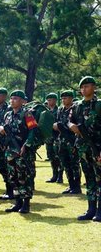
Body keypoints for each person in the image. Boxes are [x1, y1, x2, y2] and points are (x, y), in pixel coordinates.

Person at [0, 90, 38, 214]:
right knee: (13, 177)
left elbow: (33, 130)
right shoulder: (8, 115)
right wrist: (1, 129)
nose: (12, 101)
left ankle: (26, 203)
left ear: (22, 101)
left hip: (22, 150)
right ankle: (17, 202)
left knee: (24, 177)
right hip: (10, 151)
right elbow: (4, 127)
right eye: (11, 98)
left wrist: (26, 145)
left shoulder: (27, 114)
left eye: (16, 98)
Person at [68, 76, 101, 221]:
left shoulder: (99, 105)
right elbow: (69, 121)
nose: (84, 89)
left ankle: (100, 211)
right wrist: (72, 127)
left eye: (87, 86)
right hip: (83, 148)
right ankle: (91, 209)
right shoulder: (77, 106)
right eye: (82, 87)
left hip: (98, 148)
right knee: (89, 179)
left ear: (94, 87)